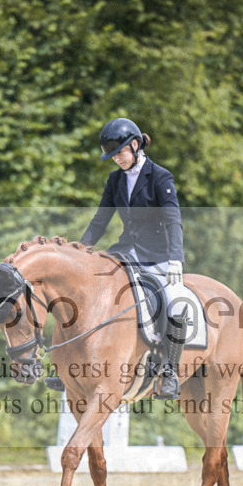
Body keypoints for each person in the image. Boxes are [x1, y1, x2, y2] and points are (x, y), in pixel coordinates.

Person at [80, 117, 186, 400]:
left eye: (119, 153)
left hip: (159, 255)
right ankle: (73, 362)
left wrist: (176, 258)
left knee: (176, 304)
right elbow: (100, 220)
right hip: (125, 251)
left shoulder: (160, 177)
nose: (116, 159)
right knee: (86, 289)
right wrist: (81, 250)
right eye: (112, 155)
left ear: (135, 145)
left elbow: (173, 219)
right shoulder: (115, 180)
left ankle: (169, 372)